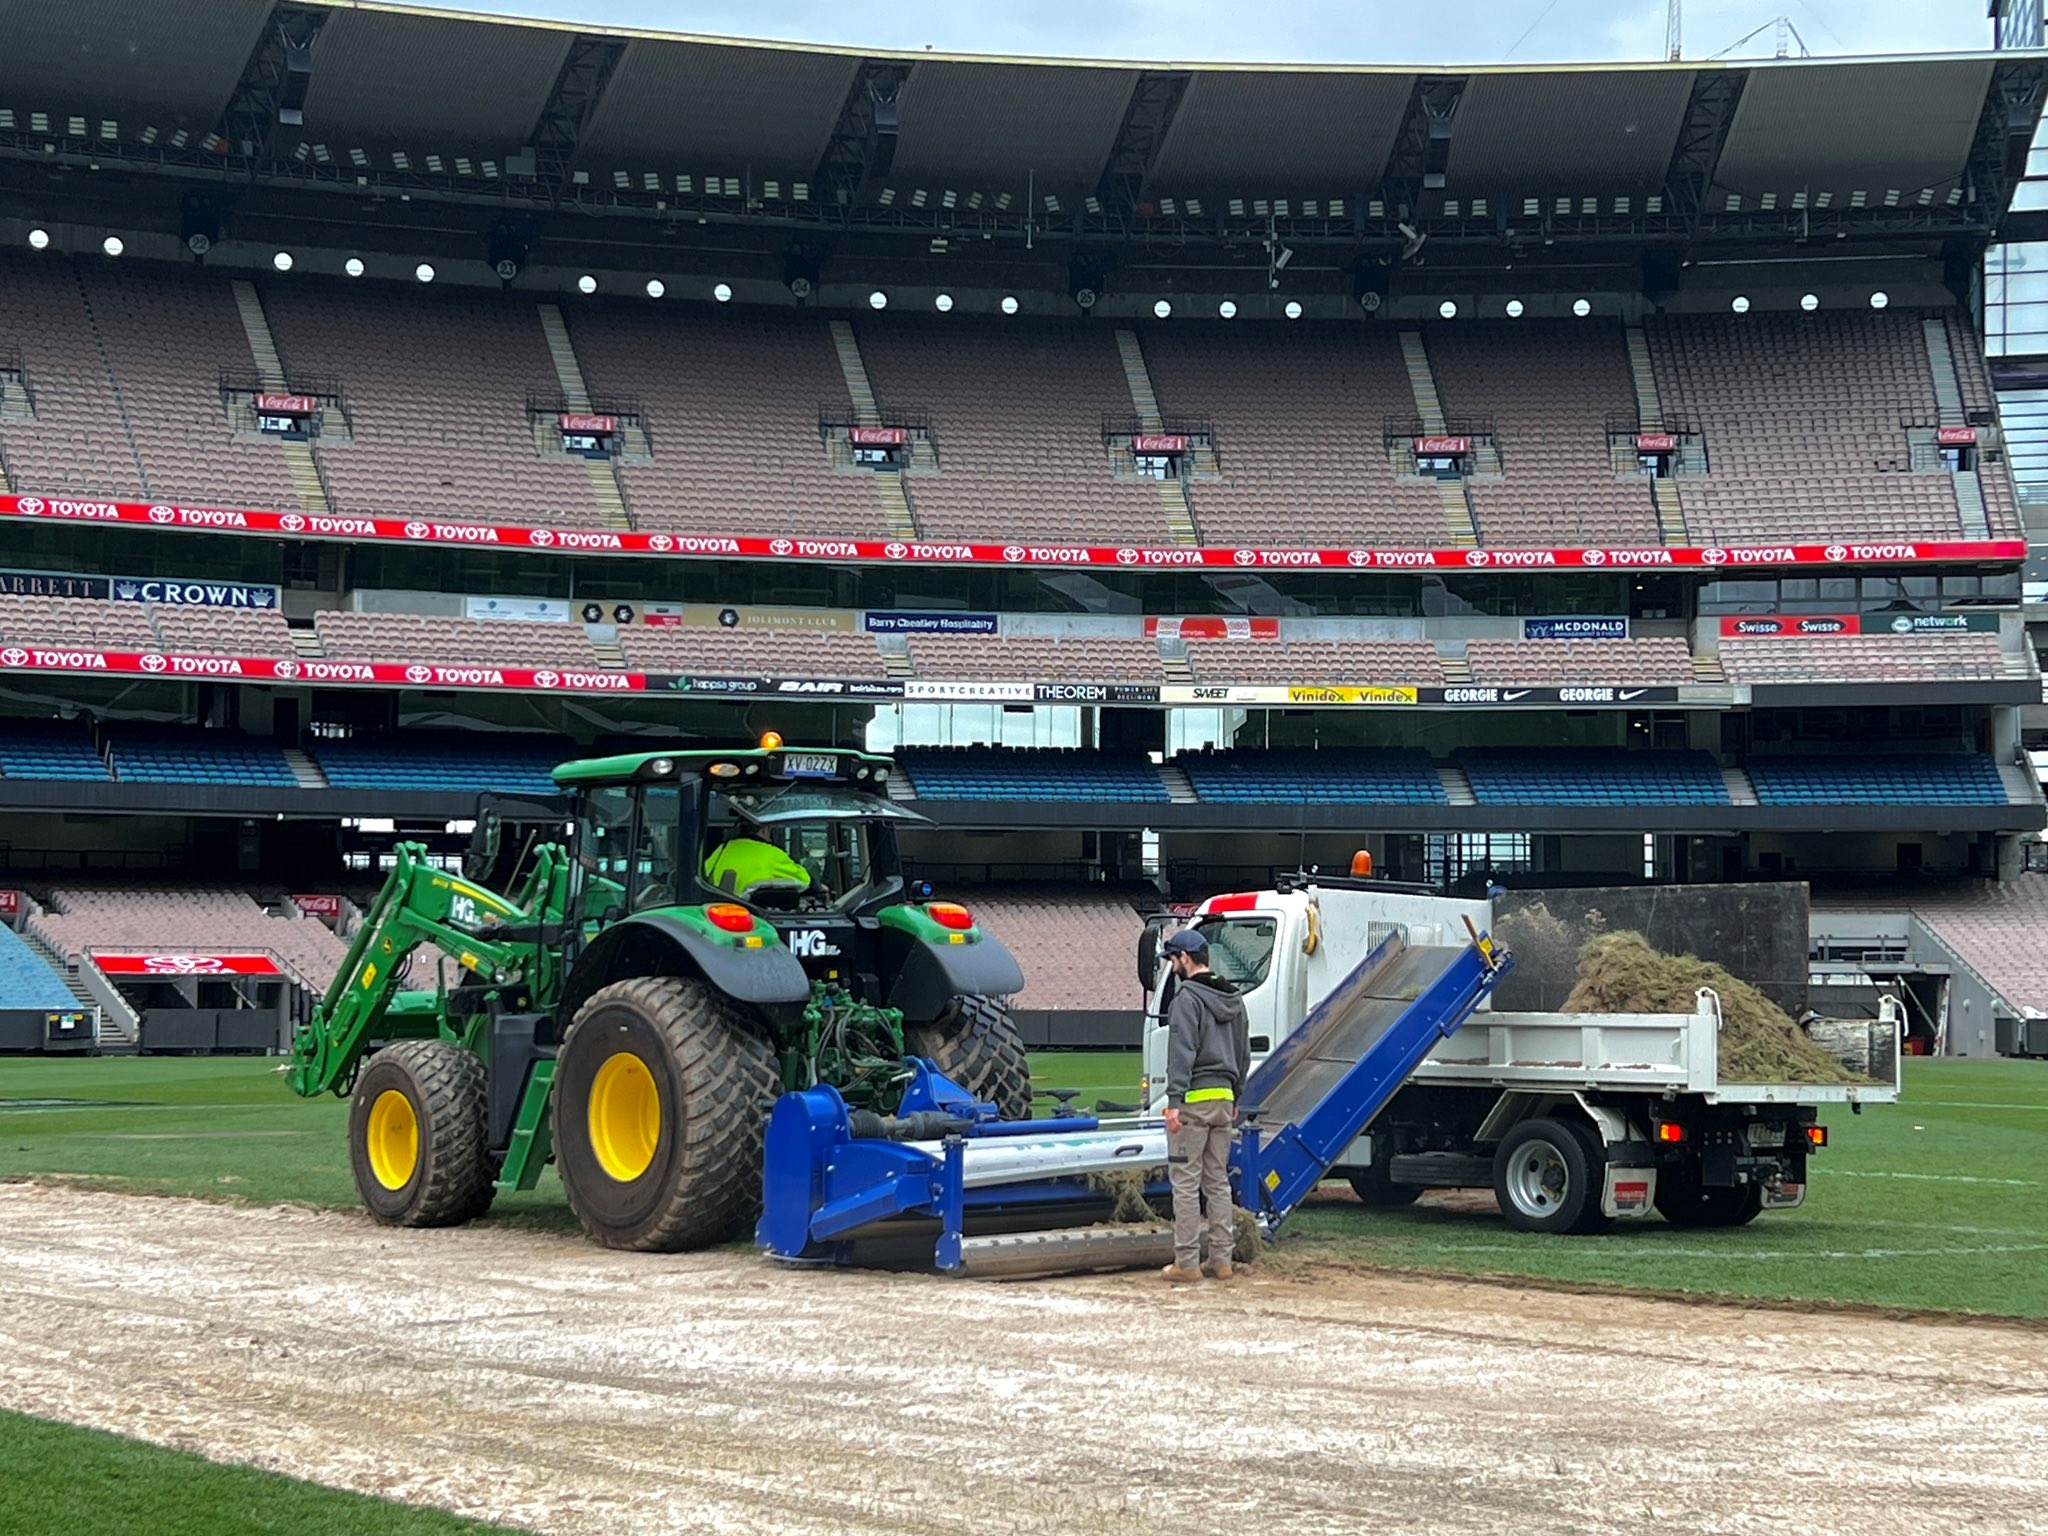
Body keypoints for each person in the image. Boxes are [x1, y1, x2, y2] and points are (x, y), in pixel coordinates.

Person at [1158, 926, 1250, 1283]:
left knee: (1185, 1182)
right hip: (1224, 1101)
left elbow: (1182, 1052)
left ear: (1185, 959)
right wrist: (1236, 1095)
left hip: (1193, 1102)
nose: (1172, 966)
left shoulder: (1187, 1000)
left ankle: (1187, 1262)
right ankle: (1221, 1261)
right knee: (1217, 1182)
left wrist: (1174, 1101)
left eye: (1173, 959)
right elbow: (1243, 1054)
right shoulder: (1234, 1000)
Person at [704, 835, 812, 903]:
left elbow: (705, 874)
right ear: (764, 829)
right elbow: (805, 881)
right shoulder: (771, 853)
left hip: (720, 912)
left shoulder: (721, 850)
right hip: (756, 914)